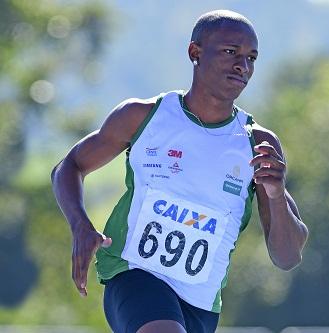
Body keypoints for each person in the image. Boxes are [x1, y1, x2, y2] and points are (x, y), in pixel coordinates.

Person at [51, 9, 308, 333]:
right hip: (134, 275)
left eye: (251, 58)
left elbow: (287, 257)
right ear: (195, 53)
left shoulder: (257, 143)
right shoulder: (143, 117)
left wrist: (275, 194)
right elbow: (68, 166)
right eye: (231, 52)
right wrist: (80, 225)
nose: (242, 66)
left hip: (200, 304)